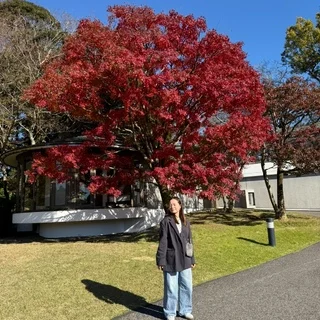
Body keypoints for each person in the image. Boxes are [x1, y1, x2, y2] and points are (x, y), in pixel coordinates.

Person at [156, 196, 196, 320]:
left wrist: (192, 259)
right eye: (170, 205)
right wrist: (160, 259)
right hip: (170, 259)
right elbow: (163, 242)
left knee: (187, 286)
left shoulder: (185, 221)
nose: (172, 207)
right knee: (171, 288)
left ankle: (185, 310)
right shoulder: (166, 221)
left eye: (175, 204)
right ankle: (170, 313)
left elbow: (189, 241)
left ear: (180, 206)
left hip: (185, 259)